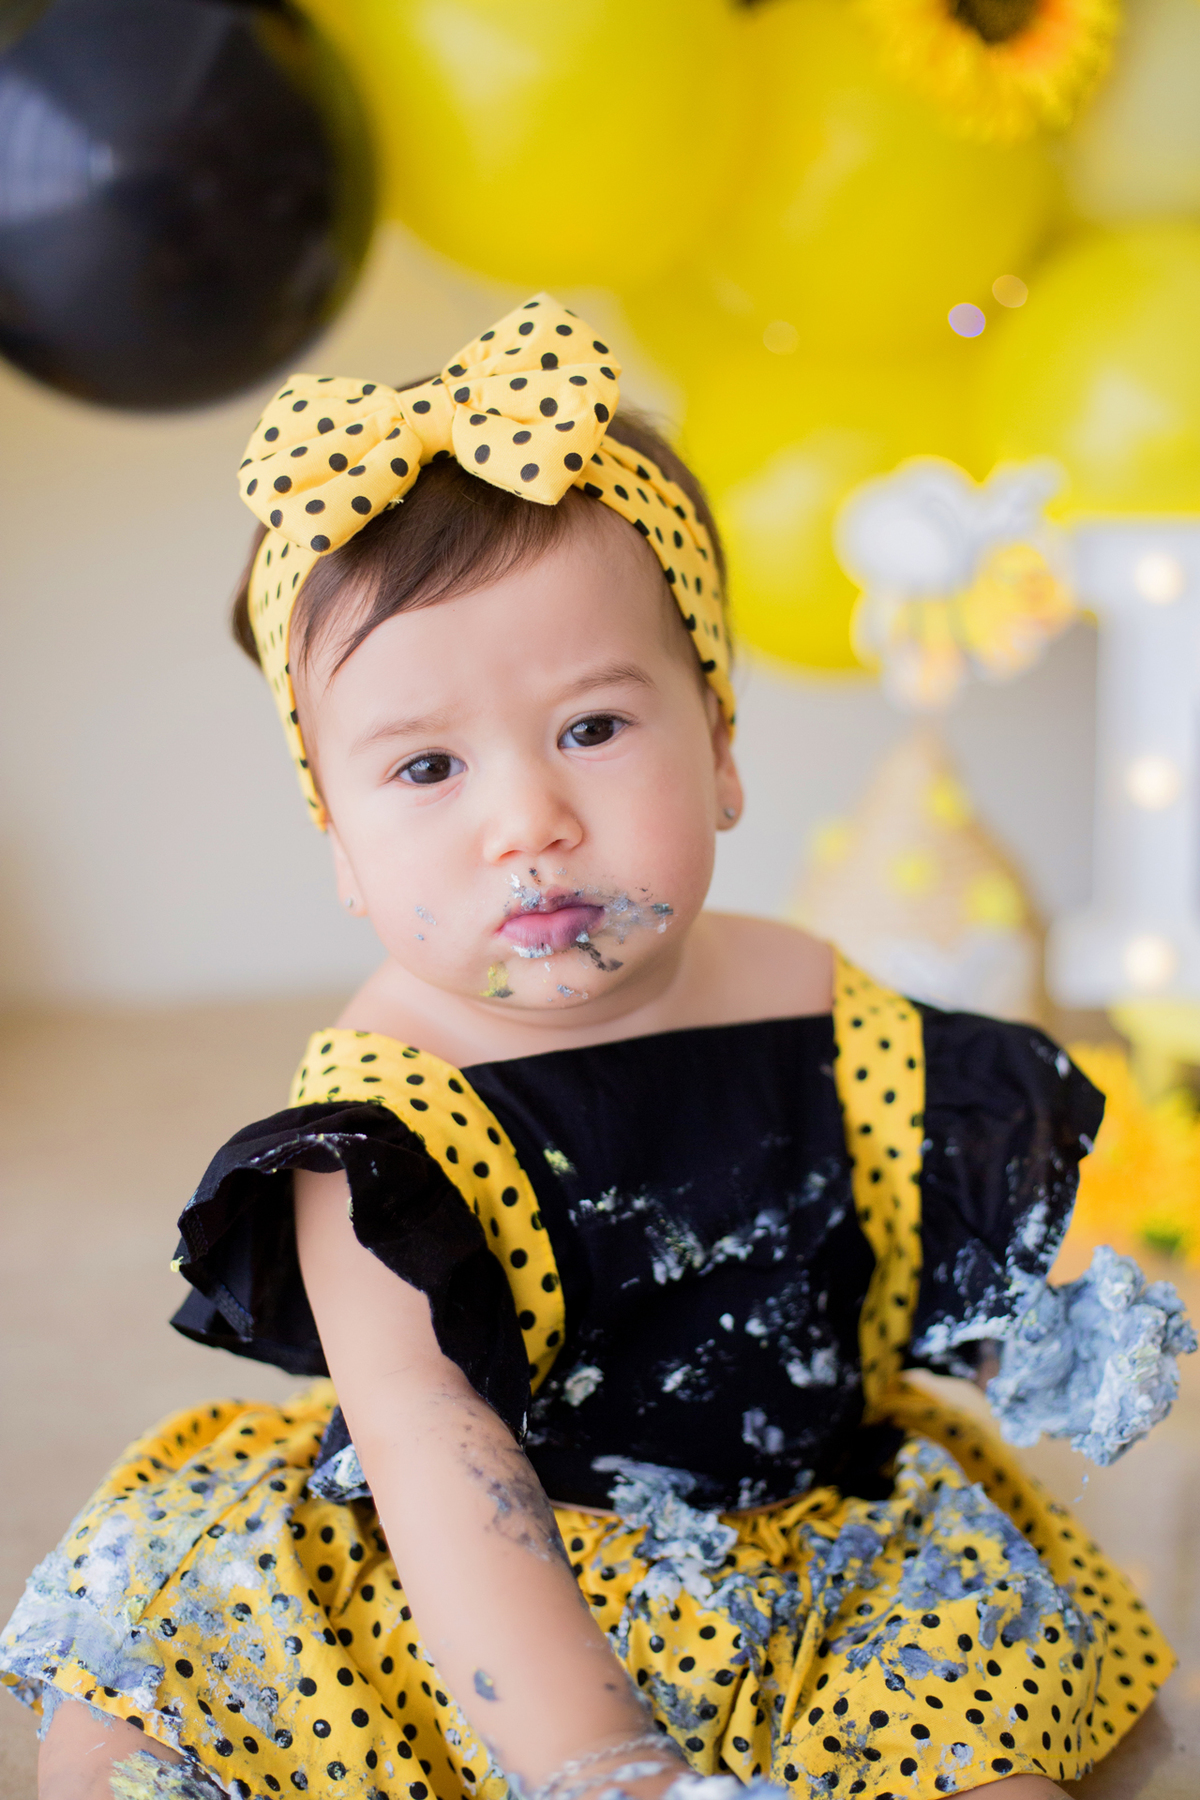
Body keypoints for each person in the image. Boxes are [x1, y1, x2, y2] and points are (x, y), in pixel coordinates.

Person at [3, 296, 1187, 1800]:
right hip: (470, 1576)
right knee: (125, 1731)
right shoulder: (377, 1127)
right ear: (343, 847)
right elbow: (432, 1439)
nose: (529, 822)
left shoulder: (818, 998)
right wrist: (598, 1760)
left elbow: (885, 1238)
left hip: (818, 1546)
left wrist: (1029, 1330)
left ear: (722, 745)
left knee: (991, 1763)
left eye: (592, 730)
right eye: (427, 767)